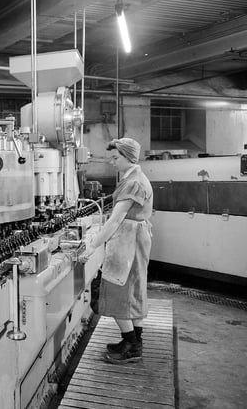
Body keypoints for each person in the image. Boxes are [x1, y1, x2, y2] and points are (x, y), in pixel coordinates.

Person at [81, 137, 154, 364]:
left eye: (116, 158)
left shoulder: (133, 182)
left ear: (128, 157)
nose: (112, 162)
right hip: (134, 238)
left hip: (127, 241)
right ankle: (134, 342)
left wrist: (91, 247)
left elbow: (114, 221)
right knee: (133, 290)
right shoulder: (134, 178)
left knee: (119, 290)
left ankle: (131, 345)